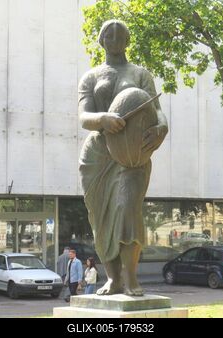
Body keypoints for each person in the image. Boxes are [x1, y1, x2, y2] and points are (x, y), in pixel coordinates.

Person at [78, 20, 168, 296]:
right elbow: (83, 117)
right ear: (101, 40)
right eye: (109, 33)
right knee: (101, 218)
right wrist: (102, 119)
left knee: (128, 210)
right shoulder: (91, 77)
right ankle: (113, 279)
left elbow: (157, 109)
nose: (115, 36)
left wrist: (162, 128)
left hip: (132, 154)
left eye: (120, 34)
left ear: (127, 41)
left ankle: (131, 278)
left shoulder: (141, 74)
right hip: (98, 154)